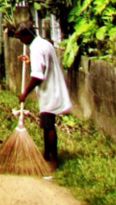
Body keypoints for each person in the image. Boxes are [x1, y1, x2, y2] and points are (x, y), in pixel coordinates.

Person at [11, 23, 71, 169]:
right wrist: (30, 61)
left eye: (20, 38)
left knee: (48, 125)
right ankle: (46, 155)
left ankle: (53, 160)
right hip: (53, 88)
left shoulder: (36, 49)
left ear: (27, 35)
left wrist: (25, 93)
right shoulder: (44, 44)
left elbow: (37, 77)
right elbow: (45, 64)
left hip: (49, 92)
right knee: (46, 124)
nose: (20, 41)